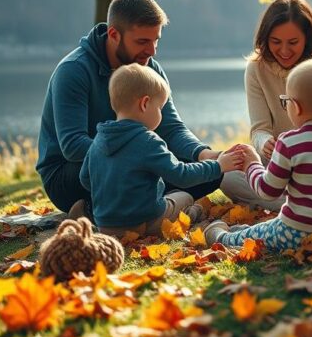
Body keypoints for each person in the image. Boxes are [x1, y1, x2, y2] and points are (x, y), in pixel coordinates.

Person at [36, 0, 240, 217]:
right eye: (142, 41)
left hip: (133, 166)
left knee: (210, 173)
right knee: (145, 170)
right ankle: (114, 208)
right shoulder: (74, 71)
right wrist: (133, 155)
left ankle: (108, 211)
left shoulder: (149, 68)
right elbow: (73, 145)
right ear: (114, 34)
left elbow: (171, 128)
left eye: (155, 41)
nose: (151, 51)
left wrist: (203, 154)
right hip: (71, 175)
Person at [204, 58, 312, 253]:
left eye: (286, 102)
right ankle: (246, 231)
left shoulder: (289, 142)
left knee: (267, 231)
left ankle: (222, 237)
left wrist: (252, 164)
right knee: (266, 229)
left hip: (297, 233)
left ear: (296, 107)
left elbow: (267, 191)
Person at [80, 64, 245, 237]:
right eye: (160, 108)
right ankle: (193, 213)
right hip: (143, 223)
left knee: (168, 197)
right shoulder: (148, 140)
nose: (160, 114)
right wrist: (218, 166)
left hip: (106, 225)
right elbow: (181, 175)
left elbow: (85, 179)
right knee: (184, 197)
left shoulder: (99, 140)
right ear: (144, 104)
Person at [228, 0, 312, 210]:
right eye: (276, 42)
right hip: (281, 163)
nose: (284, 51)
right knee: (229, 174)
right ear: (265, 38)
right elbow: (259, 129)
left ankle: (294, 204)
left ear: (307, 38)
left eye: (293, 42)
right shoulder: (256, 68)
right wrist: (265, 143)